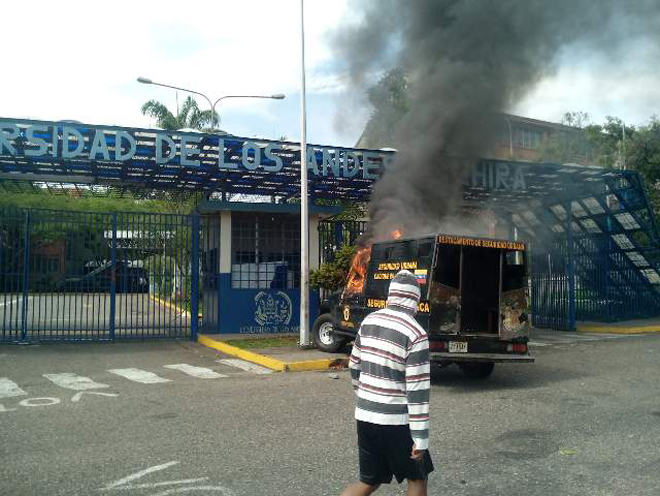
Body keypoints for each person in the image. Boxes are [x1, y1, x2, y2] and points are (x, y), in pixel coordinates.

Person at [341, 270, 433, 496]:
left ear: (391, 295)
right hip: (397, 423)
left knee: (368, 481)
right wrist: (420, 439)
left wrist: (365, 396)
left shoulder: (369, 321)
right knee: (417, 478)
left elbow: (354, 366)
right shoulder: (416, 334)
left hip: (365, 416)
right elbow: (417, 391)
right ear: (415, 299)